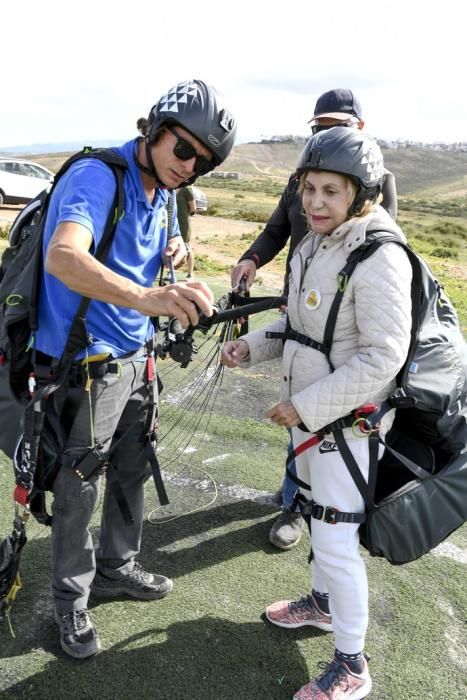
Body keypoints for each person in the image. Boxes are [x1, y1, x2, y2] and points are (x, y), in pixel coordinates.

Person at [33, 79, 236, 659]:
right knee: (79, 485)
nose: (189, 167)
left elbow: (168, 243)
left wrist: (178, 255)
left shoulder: (163, 189)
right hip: (87, 363)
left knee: (132, 466)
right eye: (185, 150)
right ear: (154, 128)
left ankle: (117, 566)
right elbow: (65, 256)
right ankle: (70, 599)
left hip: (136, 356)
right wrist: (148, 300)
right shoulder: (99, 176)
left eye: (203, 163)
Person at [221, 127, 412, 699]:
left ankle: (352, 666)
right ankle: (322, 606)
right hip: (309, 424)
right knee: (317, 519)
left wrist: (304, 406)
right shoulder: (311, 246)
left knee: (335, 540)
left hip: (347, 426)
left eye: (331, 191)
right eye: (308, 189)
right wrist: (251, 346)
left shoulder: (379, 256)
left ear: (362, 194)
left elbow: (384, 356)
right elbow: (299, 326)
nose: (315, 203)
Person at [231, 88, 398, 551]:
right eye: (318, 128)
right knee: (297, 404)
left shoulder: (374, 192)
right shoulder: (299, 179)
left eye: (336, 127)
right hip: (299, 310)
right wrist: (252, 258)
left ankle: (301, 510)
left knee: (318, 412)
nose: (315, 201)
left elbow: (374, 276)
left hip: (340, 320)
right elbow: (275, 230)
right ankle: (297, 495)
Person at [176, 185, 196, 279]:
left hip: (183, 222)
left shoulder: (187, 190)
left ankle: (190, 273)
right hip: (170, 222)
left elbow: (193, 209)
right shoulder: (169, 187)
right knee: (171, 246)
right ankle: (171, 271)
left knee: (187, 246)